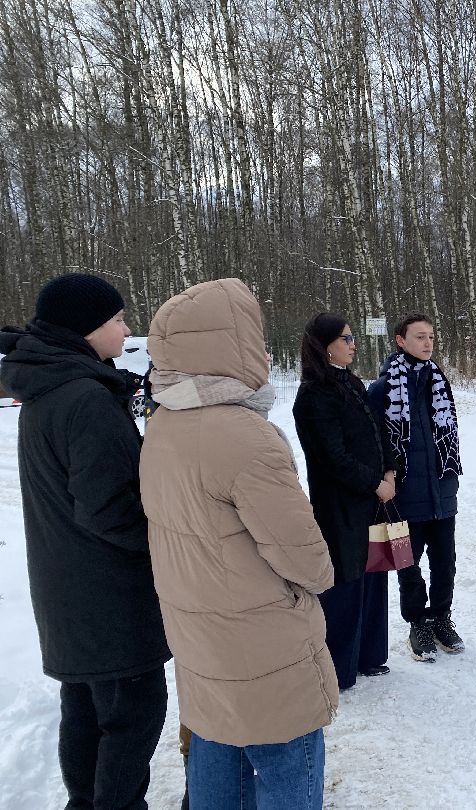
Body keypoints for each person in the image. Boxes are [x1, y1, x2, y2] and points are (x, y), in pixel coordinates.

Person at [140, 279, 338, 809]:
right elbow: (307, 560)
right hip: (264, 644)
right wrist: (318, 578)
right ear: (232, 345)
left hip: (202, 639)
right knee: (287, 768)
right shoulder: (244, 436)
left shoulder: (162, 425)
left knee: (217, 751)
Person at [0, 273, 171, 809]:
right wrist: (171, 536)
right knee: (133, 715)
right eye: (118, 319)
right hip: (108, 594)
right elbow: (111, 509)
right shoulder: (85, 398)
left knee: (88, 711)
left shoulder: (52, 387)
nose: (126, 329)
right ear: (87, 328)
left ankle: (85, 802)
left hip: (69, 589)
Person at [292, 313, 398, 687]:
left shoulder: (352, 384)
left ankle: (369, 655)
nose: (353, 345)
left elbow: (377, 431)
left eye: (353, 338)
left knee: (373, 575)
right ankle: (339, 668)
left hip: (370, 500)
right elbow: (333, 457)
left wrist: (389, 470)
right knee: (345, 583)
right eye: (346, 339)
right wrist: (374, 482)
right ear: (324, 346)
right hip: (340, 507)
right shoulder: (313, 395)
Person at [367, 313, 464, 662]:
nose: (427, 343)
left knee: (445, 562)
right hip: (404, 495)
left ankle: (441, 618)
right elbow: (376, 443)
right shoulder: (383, 389)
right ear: (400, 341)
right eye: (420, 337)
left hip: (441, 490)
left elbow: (447, 433)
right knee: (408, 563)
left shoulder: (438, 381)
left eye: (431, 337)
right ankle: (417, 623)